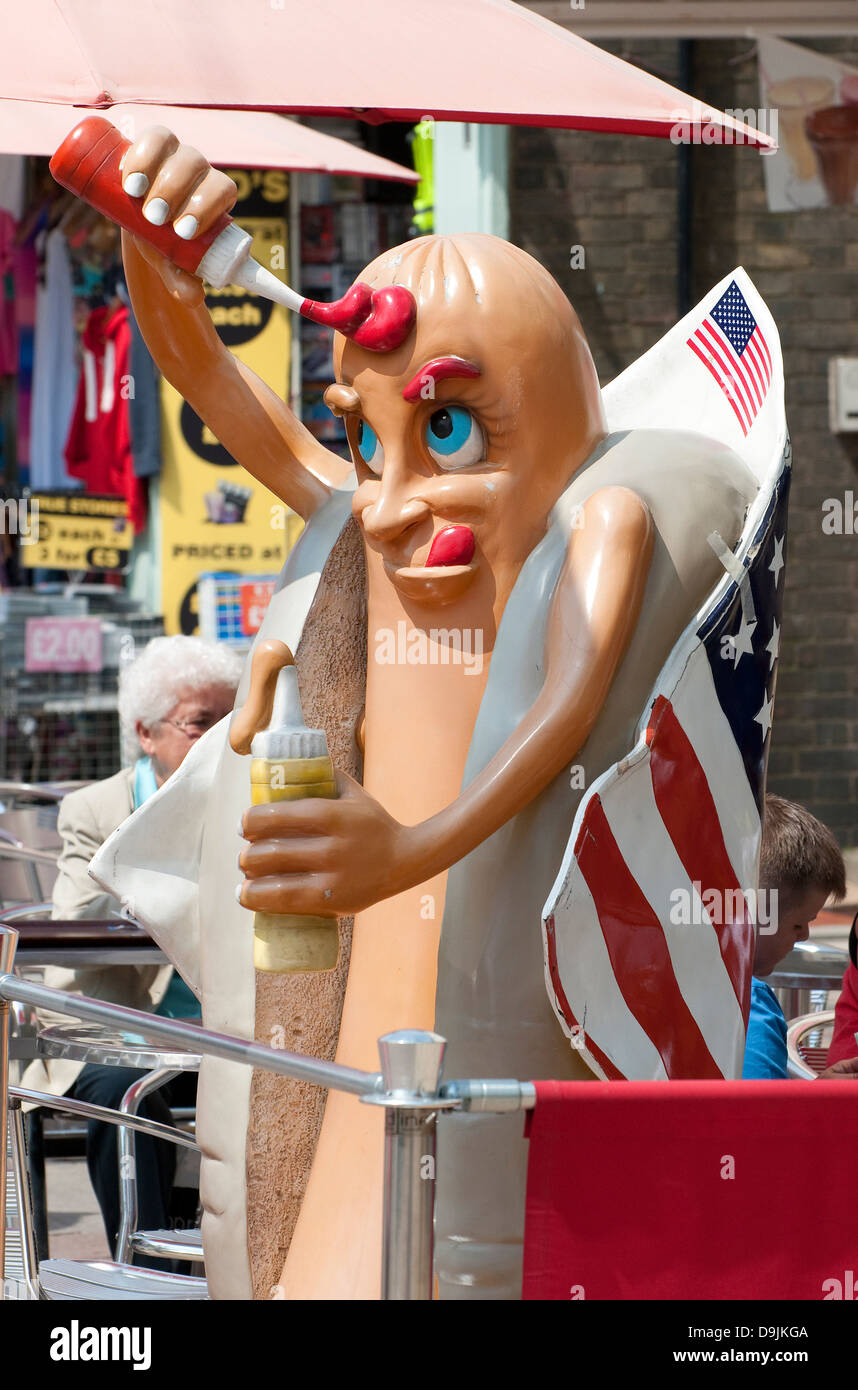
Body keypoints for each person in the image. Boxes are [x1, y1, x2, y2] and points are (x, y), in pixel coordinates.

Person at [22, 635, 241, 1266]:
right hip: (105, 1027)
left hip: (217, 1024)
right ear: (146, 734)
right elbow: (77, 915)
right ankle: (145, 1270)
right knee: (129, 1084)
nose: (221, 739)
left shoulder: (247, 802)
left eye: (232, 720)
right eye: (202, 723)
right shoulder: (97, 809)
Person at [743, 794, 858, 1081]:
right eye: (798, 925)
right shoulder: (749, 1006)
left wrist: (815, 1093)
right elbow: (759, 1120)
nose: (805, 935)